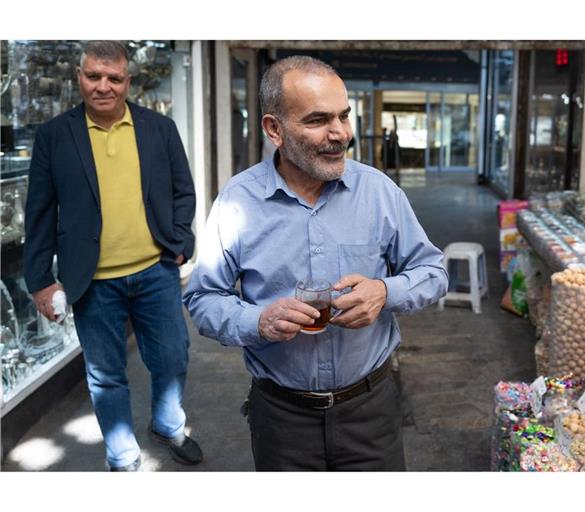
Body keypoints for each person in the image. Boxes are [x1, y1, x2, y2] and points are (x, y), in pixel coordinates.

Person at [183, 55, 448, 471]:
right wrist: (258, 321)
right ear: (274, 130)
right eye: (318, 120)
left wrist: (384, 291)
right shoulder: (237, 201)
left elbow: (433, 271)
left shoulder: (379, 192)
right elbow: (202, 298)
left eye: (344, 116)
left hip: (372, 411)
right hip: (282, 419)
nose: (340, 133)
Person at [24, 41, 202, 471]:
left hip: (155, 270)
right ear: (79, 77)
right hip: (91, 281)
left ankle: (168, 423)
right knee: (105, 376)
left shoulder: (158, 128)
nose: (103, 87)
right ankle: (122, 457)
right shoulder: (54, 135)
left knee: (173, 355)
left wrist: (179, 244)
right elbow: (40, 213)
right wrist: (40, 281)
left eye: (114, 78)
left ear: (127, 81)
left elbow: (183, 191)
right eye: (93, 76)